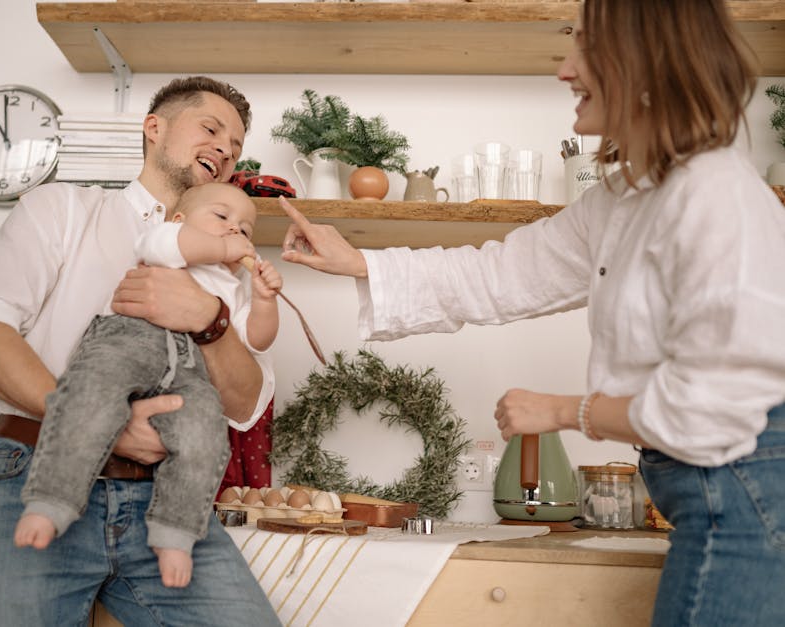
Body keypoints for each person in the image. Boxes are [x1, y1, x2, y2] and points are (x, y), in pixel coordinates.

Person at [277, 2, 785, 625]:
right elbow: (497, 275)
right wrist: (361, 263)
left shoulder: (715, 195)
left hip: (751, 503)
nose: (565, 70)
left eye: (586, 47)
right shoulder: (624, 201)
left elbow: (709, 410)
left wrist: (566, 411)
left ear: (647, 61)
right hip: (715, 501)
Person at [0, 76, 281, 626]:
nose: (225, 149)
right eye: (211, 129)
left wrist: (210, 319)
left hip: (168, 498)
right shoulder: (64, 208)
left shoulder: (226, 274)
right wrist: (97, 422)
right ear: (155, 128)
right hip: (34, 469)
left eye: (236, 147)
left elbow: (244, 405)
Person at [13, 182, 282, 589]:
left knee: (205, 434)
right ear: (178, 219)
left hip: (188, 368)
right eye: (222, 217)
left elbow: (254, 340)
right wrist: (227, 248)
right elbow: (179, 245)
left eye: (246, 230)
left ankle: (175, 533)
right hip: (129, 339)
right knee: (90, 394)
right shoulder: (164, 239)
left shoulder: (233, 287)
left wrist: (264, 300)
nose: (235, 232)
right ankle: (51, 500)